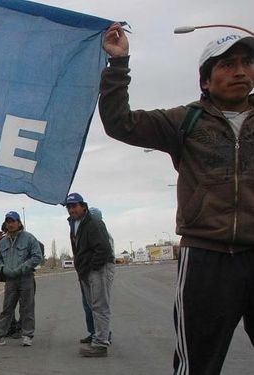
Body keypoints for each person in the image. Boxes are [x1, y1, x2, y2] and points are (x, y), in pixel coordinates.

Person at [100, 24, 254, 373]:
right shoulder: (186, 121)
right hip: (207, 257)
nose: (240, 71)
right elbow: (119, 123)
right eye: (227, 65)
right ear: (206, 80)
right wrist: (119, 64)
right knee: (197, 365)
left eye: (246, 62)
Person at [65, 193, 115, 357]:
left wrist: (93, 267)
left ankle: (100, 344)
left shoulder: (93, 223)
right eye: (69, 206)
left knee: (100, 306)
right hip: (86, 271)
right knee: (93, 306)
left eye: (74, 206)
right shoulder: (76, 224)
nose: (71, 209)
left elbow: (103, 249)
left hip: (98, 269)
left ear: (83, 206)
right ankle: (97, 337)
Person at [0, 211, 42, 347]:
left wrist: (22, 268)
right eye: (8, 222)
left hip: (26, 278)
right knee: (7, 308)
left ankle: (27, 335)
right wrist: (2, 268)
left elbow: (37, 256)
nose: (10, 224)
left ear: (19, 223)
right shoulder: (3, 242)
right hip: (10, 279)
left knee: (27, 307)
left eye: (12, 221)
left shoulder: (29, 238)